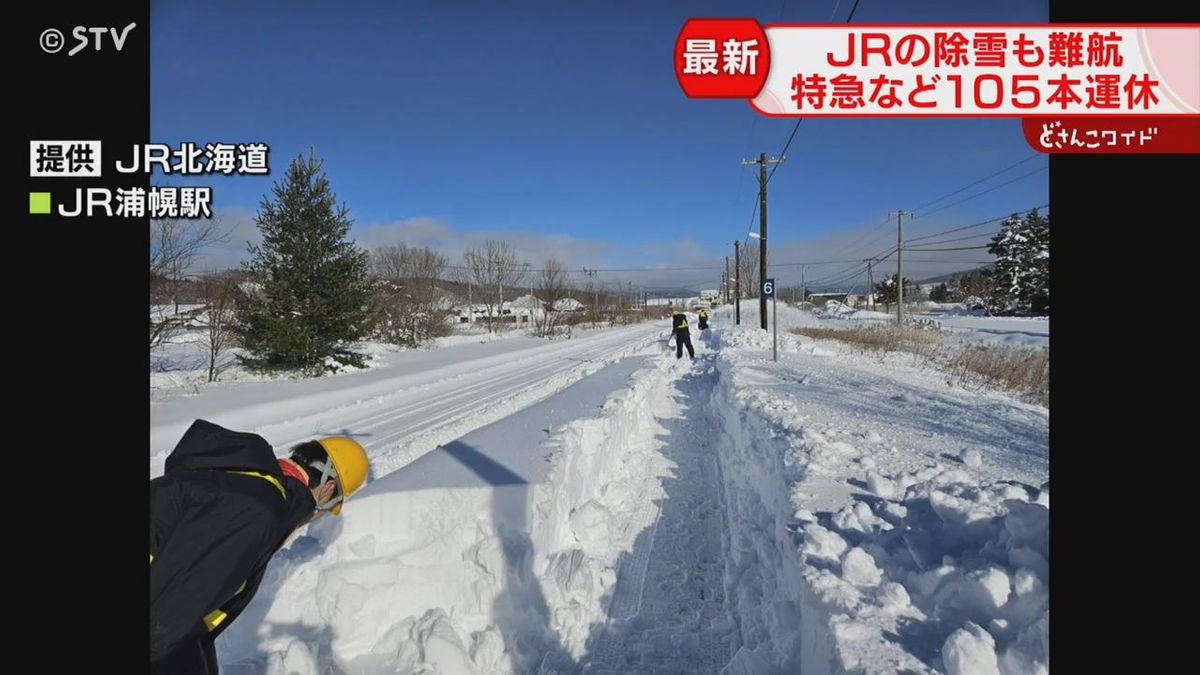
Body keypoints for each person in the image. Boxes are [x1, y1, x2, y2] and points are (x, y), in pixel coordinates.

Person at [150, 419, 369, 674]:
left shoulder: (246, 482)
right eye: (330, 507)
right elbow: (165, 623)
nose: (318, 517)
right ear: (327, 489)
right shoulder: (257, 513)